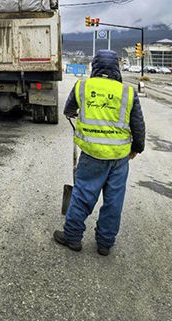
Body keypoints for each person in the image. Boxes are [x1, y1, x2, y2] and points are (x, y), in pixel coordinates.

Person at [54, 49, 146, 256]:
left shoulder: (83, 86)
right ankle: (105, 243)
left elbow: (68, 110)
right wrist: (137, 148)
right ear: (116, 69)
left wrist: (78, 114)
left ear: (94, 67)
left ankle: (72, 237)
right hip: (119, 158)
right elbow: (138, 125)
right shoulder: (128, 92)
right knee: (114, 201)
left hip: (92, 154)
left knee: (83, 195)